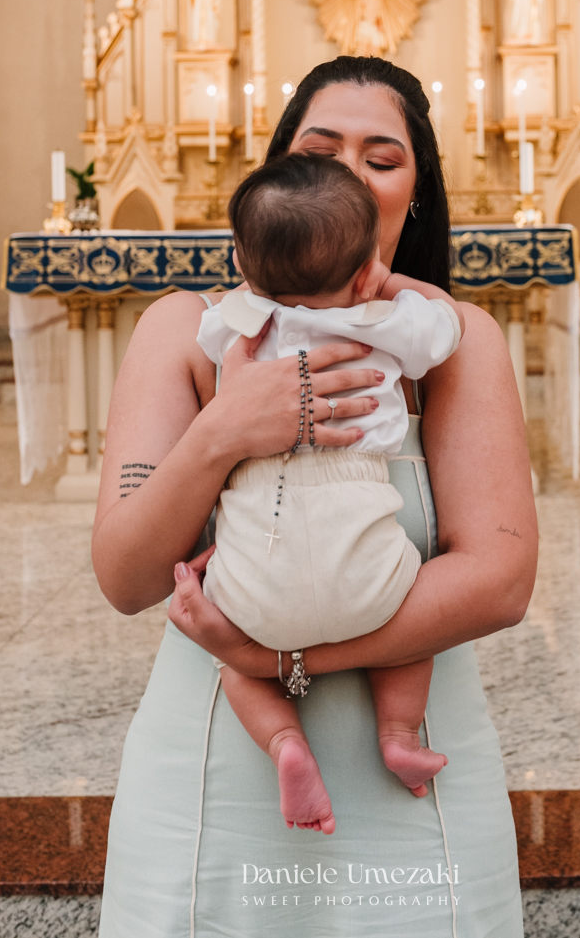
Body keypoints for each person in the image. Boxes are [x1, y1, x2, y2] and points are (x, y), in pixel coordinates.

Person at [94, 55, 537, 938]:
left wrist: (274, 660)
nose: (350, 174)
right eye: (320, 150)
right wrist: (224, 430)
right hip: (213, 778)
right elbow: (127, 576)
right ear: (278, 175)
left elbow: (499, 581)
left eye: (382, 158)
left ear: (415, 194)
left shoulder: (450, 340)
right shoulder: (188, 330)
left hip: (415, 783)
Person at [197, 153, 466, 835]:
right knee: (408, 635)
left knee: (234, 664)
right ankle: (398, 733)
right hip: (364, 556)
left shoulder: (236, 322)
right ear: (364, 271)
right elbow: (444, 327)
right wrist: (384, 283)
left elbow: (209, 332)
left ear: (242, 260)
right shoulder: (379, 320)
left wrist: (253, 292)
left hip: (257, 559)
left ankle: (286, 743)